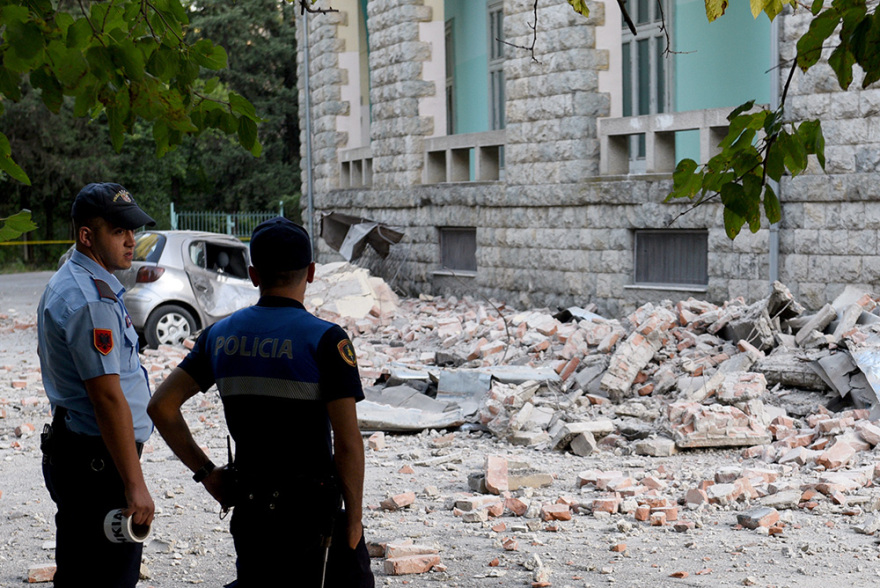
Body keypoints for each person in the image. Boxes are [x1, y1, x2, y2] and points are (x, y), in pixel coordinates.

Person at [148, 217, 374, 587]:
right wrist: (354, 519)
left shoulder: (219, 335)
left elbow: (161, 406)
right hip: (311, 514)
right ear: (311, 272)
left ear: (254, 275)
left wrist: (208, 475)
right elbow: (348, 443)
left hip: (251, 510)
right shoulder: (326, 340)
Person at [38, 182, 156, 587]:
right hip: (97, 462)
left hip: (85, 452)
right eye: (119, 231)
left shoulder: (76, 280)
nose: (131, 240)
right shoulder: (90, 299)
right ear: (87, 236)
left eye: (132, 230)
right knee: (107, 577)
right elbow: (106, 397)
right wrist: (134, 485)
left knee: (81, 572)